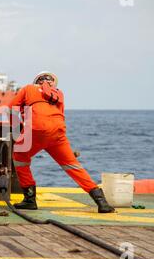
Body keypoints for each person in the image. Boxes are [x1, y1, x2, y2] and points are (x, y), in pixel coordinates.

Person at [8, 71, 115, 213]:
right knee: (73, 166)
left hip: (36, 130)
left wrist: (18, 129)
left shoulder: (28, 88)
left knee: (20, 157)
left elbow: (11, 108)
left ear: (36, 82)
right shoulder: (59, 94)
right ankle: (102, 202)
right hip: (58, 133)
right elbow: (60, 115)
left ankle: (29, 199)